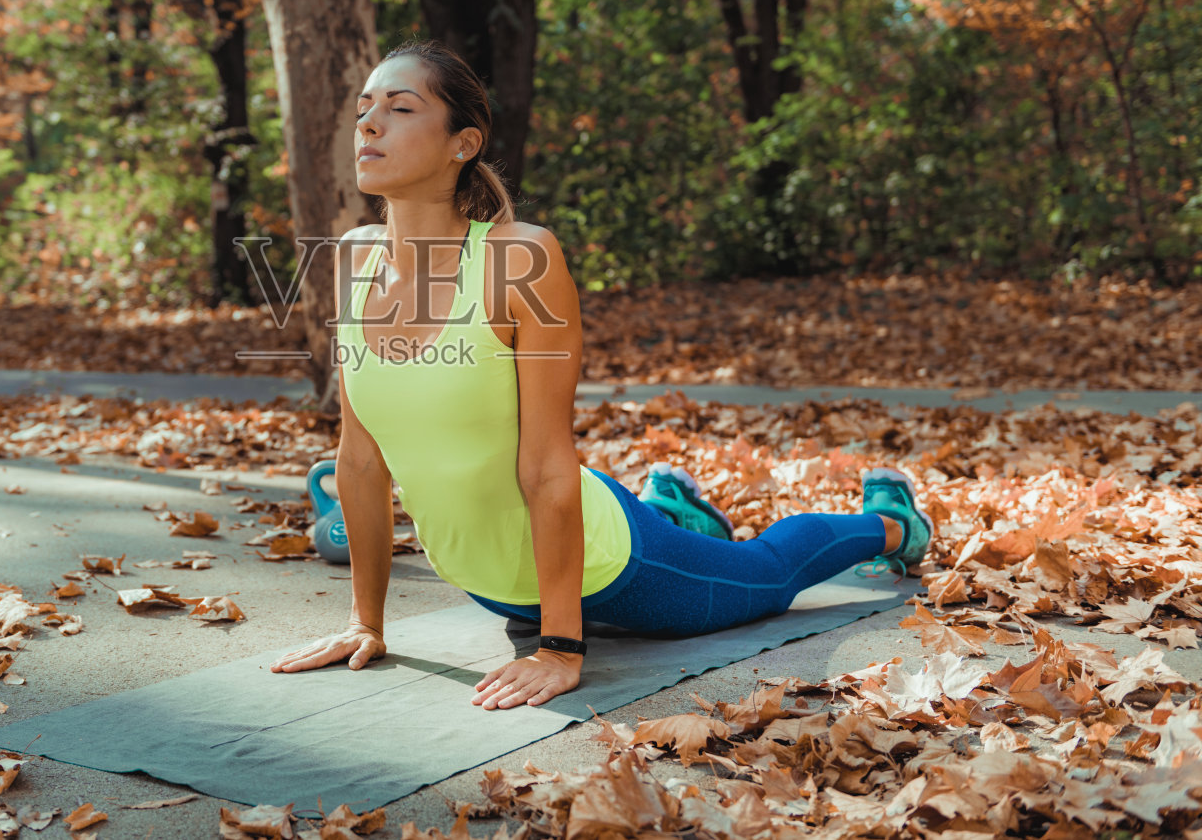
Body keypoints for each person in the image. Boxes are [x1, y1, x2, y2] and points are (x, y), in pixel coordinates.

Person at [270, 39, 933, 711]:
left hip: (602, 564)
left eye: (399, 107)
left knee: (767, 574)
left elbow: (549, 467)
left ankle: (890, 521)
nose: (369, 123)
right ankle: (678, 510)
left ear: (461, 144)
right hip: (489, 578)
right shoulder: (353, 258)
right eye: (364, 109)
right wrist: (366, 622)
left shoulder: (518, 257)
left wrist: (560, 644)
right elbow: (358, 462)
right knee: (711, 554)